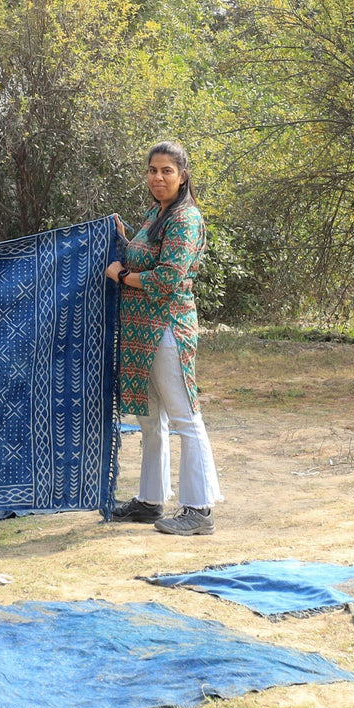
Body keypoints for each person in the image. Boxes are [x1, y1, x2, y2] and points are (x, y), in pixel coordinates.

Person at [104, 141, 222, 535]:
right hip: (142, 332)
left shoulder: (185, 219)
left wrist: (121, 276)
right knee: (151, 420)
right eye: (152, 170)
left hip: (168, 329)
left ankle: (199, 509)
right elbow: (143, 257)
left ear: (182, 175)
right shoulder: (157, 214)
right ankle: (150, 501)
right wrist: (122, 241)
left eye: (166, 171)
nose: (158, 178)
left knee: (185, 417)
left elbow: (168, 277)